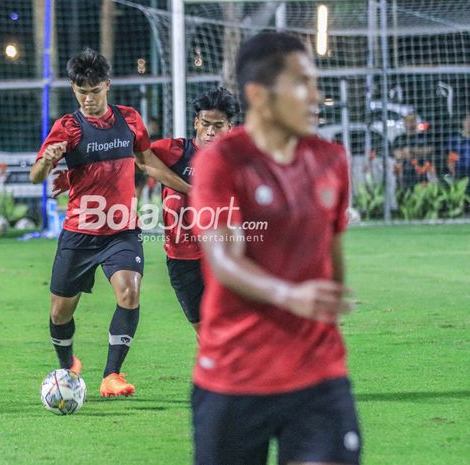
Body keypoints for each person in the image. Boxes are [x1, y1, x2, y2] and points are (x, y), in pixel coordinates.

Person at [190, 32, 361, 465]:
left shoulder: (331, 160)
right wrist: (290, 295)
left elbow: (332, 267)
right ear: (259, 95)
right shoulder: (221, 161)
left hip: (317, 374)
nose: (315, 97)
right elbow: (224, 260)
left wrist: (320, 303)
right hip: (234, 375)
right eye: (302, 83)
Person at [29, 48, 189, 398]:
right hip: (79, 233)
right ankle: (68, 363)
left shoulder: (130, 119)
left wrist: (193, 191)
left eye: (94, 91)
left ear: (107, 85)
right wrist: (49, 161)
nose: (88, 99)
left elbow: (148, 164)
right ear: (74, 89)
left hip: (122, 231)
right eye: (81, 92)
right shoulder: (67, 127)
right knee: (60, 312)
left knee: (130, 293)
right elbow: (35, 175)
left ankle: (111, 375)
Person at [150, 88, 237, 333]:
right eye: (206, 124)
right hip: (182, 259)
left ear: (229, 127)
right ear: (196, 122)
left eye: (218, 126)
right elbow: (140, 158)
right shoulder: (174, 152)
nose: (211, 132)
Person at [392, 113, 437, 188]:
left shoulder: (423, 137)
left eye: (413, 120)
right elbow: (398, 155)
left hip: (422, 175)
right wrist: (419, 152)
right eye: (408, 120)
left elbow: (429, 150)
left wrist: (410, 151)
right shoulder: (399, 139)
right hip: (404, 176)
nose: (411, 123)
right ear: (404, 122)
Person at [445, 111, 470, 181]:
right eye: (467, 119)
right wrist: (453, 172)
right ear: (462, 122)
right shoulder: (455, 139)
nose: (469, 123)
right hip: (460, 171)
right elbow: (451, 158)